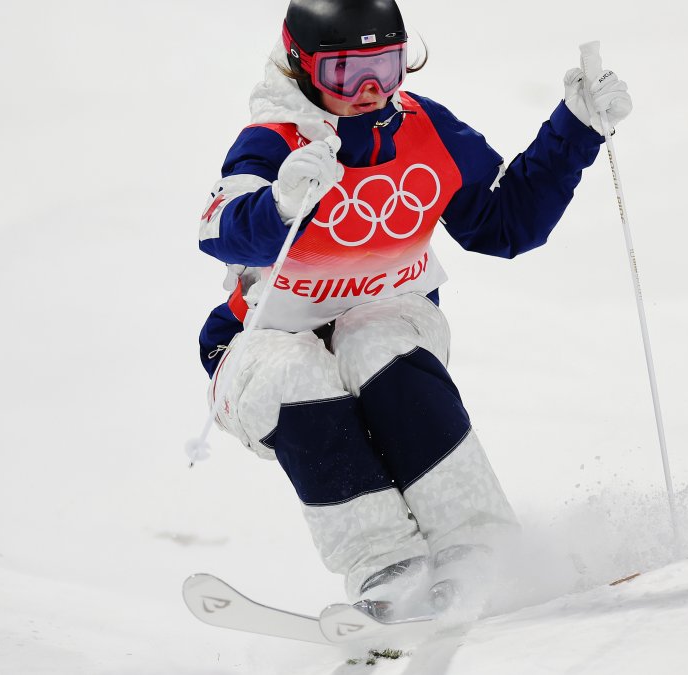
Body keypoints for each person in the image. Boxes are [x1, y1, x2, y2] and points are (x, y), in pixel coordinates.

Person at [195, 0, 632, 620]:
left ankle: (480, 551)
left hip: (387, 320)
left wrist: (576, 131)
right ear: (300, 65)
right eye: (346, 73)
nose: (370, 91)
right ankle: (388, 570)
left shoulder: (424, 129)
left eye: (386, 67)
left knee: (378, 345)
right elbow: (219, 230)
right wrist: (280, 205)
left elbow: (503, 224)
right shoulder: (274, 142)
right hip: (259, 348)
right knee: (297, 372)